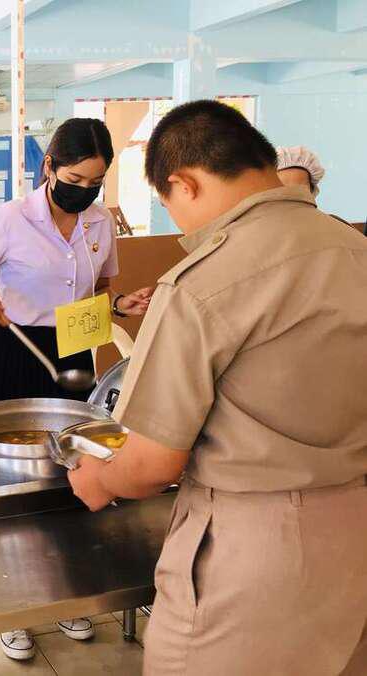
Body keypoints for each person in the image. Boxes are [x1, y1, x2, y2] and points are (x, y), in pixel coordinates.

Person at [67, 100, 367, 675]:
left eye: (170, 205)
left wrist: (98, 478)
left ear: (184, 184)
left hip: (254, 555)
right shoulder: (353, 250)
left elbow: (152, 462)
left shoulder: (202, 283)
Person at [0, 118, 153, 661]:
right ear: (49, 168)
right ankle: (13, 605)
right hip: (14, 349)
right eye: (75, 179)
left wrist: (119, 305)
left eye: (95, 182)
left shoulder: (99, 222)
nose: (84, 191)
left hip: (74, 348)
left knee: (74, 472)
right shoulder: (11, 218)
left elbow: (99, 292)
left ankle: (64, 592)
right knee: (11, 479)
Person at [276, 145, 357, 229]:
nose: (292, 198)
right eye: (283, 191)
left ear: (312, 192)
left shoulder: (336, 228)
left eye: (300, 191)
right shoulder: (268, 229)